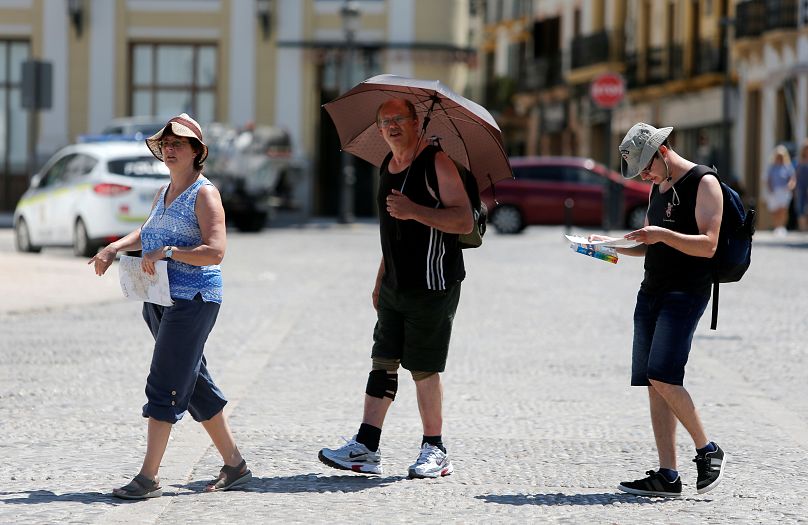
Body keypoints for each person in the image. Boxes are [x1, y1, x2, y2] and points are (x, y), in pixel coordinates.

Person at [89, 113, 251, 499]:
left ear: (198, 151)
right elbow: (148, 233)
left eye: (178, 143)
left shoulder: (204, 193)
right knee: (194, 385)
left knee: (164, 382)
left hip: (193, 300)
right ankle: (235, 465)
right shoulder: (164, 192)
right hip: (159, 297)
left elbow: (216, 252)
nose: (170, 149)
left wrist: (172, 251)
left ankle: (148, 478)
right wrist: (114, 247)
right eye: (165, 144)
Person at [318, 98, 473, 478]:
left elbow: (464, 219)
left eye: (397, 119)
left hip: (432, 282)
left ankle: (435, 449)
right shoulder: (389, 165)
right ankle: (366, 447)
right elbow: (394, 230)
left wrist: (415, 210)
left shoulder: (437, 163)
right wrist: (380, 276)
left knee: (423, 367)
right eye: (384, 120)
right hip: (395, 283)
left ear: (416, 122)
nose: (390, 126)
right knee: (383, 359)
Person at [591, 122, 727, 498]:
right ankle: (669, 475)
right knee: (653, 381)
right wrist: (610, 245)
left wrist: (661, 234)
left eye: (646, 167)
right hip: (651, 291)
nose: (644, 175)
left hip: (685, 294)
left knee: (665, 376)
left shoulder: (704, 183)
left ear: (662, 152)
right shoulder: (658, 186)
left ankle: (708, 449)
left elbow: (709, 245)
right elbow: (648, 245)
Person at [765, 144, 796, 237]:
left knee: (783, 209)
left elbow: (792, 178)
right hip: (774, 191)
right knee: (775, 210)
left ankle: (782, 227)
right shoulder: (772, 166)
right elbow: (768, 179)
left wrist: (790, 186)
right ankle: (776, 226)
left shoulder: (788, 166)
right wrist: (770, 189)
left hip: (784, 191)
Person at [793, 140, 808, 231]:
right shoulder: (798, 161)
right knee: (800, 206)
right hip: (800, 186)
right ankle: (802, 228)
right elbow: (794, 175)